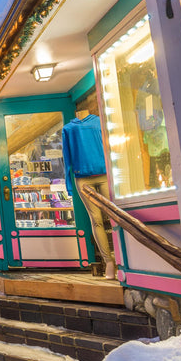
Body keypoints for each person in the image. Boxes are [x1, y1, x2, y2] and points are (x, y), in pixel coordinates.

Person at [62, 111, 116, 280]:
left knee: (115, 216)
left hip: (105, 174)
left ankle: (122, 257)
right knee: (96, 219)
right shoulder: (68, 129)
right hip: (83, 179)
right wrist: (69, 185)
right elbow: (67, 158)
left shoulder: (100, 122)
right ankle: (109, 262)